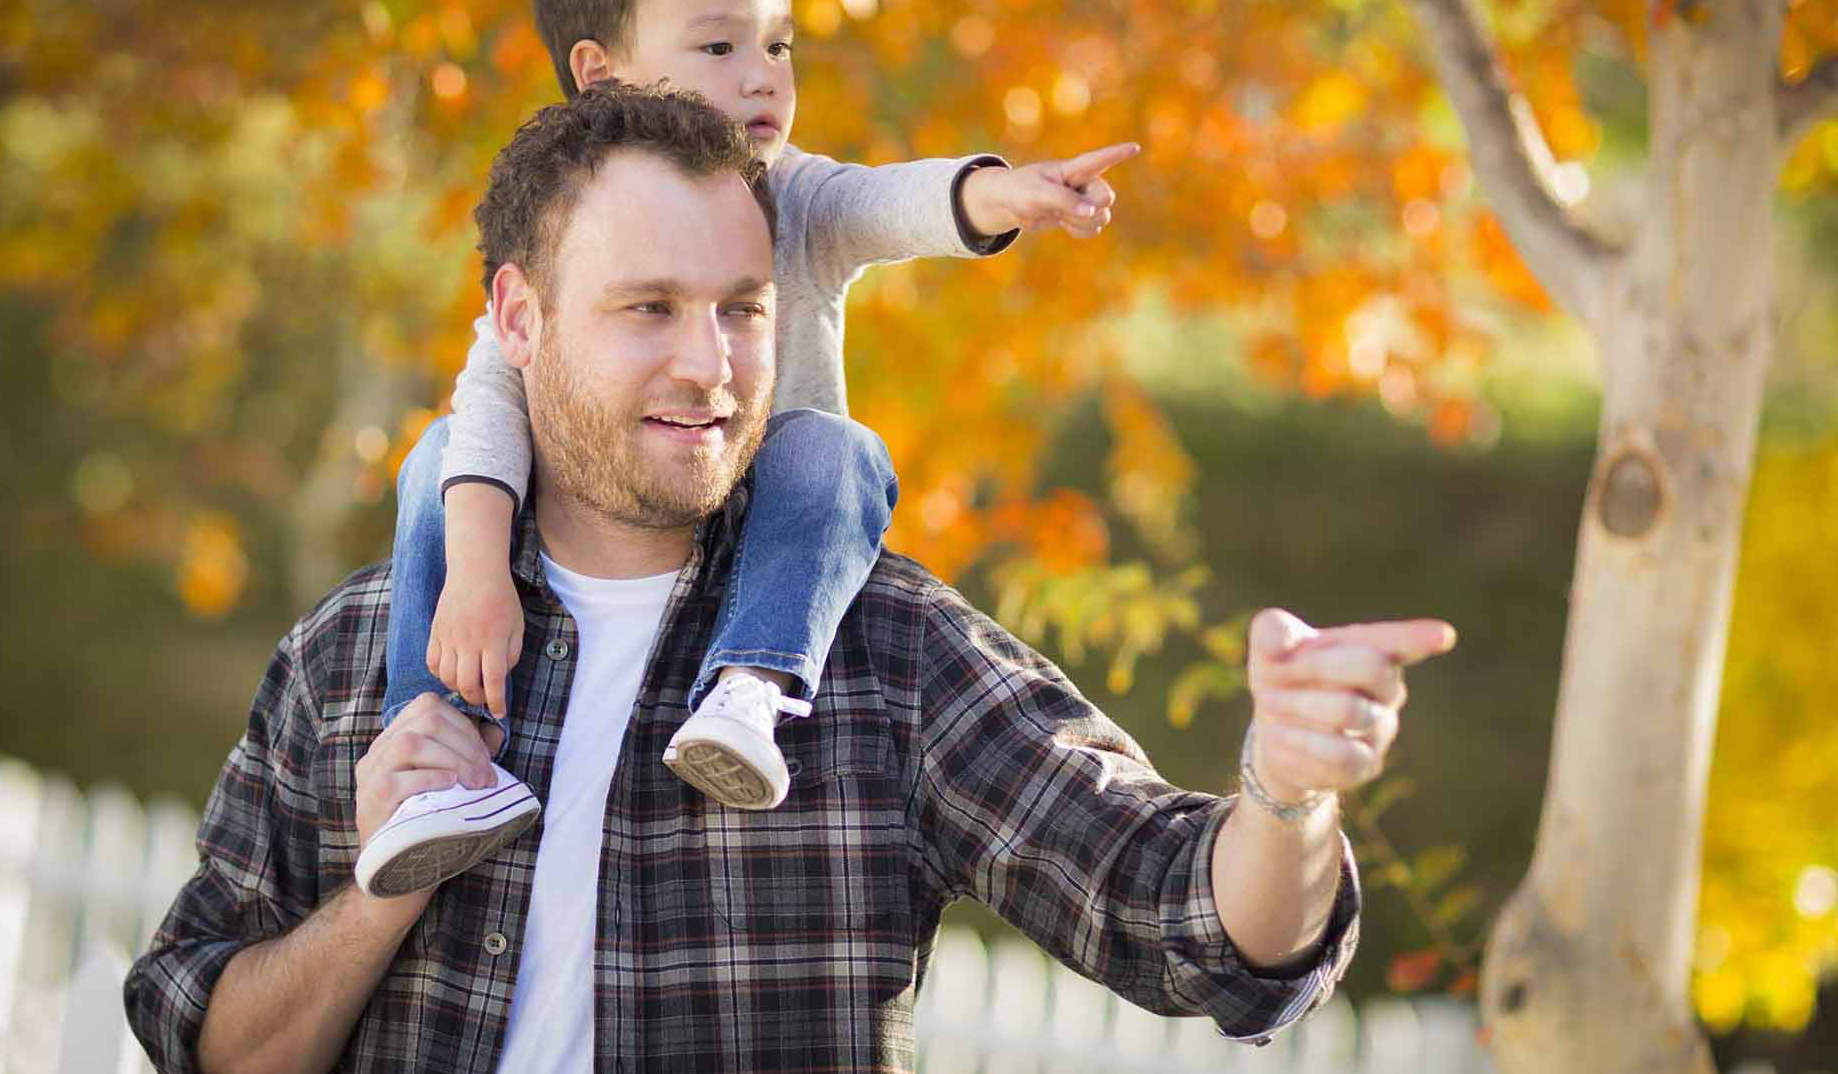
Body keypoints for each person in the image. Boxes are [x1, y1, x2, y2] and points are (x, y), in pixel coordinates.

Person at [124, 84, 1456, 1074]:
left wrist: (1287, 792)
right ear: (519, 320)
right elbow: (208, 1041)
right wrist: (384, 888)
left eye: (743, 309)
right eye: (648, 309)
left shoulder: (887, 651)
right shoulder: (358, 651)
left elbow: (1202, 935)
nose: (710, 366)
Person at [359, 0, 1141, 896]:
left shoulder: (798, 192)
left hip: (764, 507)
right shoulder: (567, 218)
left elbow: (891, 199)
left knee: (839, 450)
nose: (764, 76)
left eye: (777, 46)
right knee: (437, 458)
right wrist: (476, 574)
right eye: (720, 47)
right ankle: (438, 737)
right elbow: (490, 400)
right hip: (604, 493)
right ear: (600, 72)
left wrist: (1002, 192)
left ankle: (750, 688)